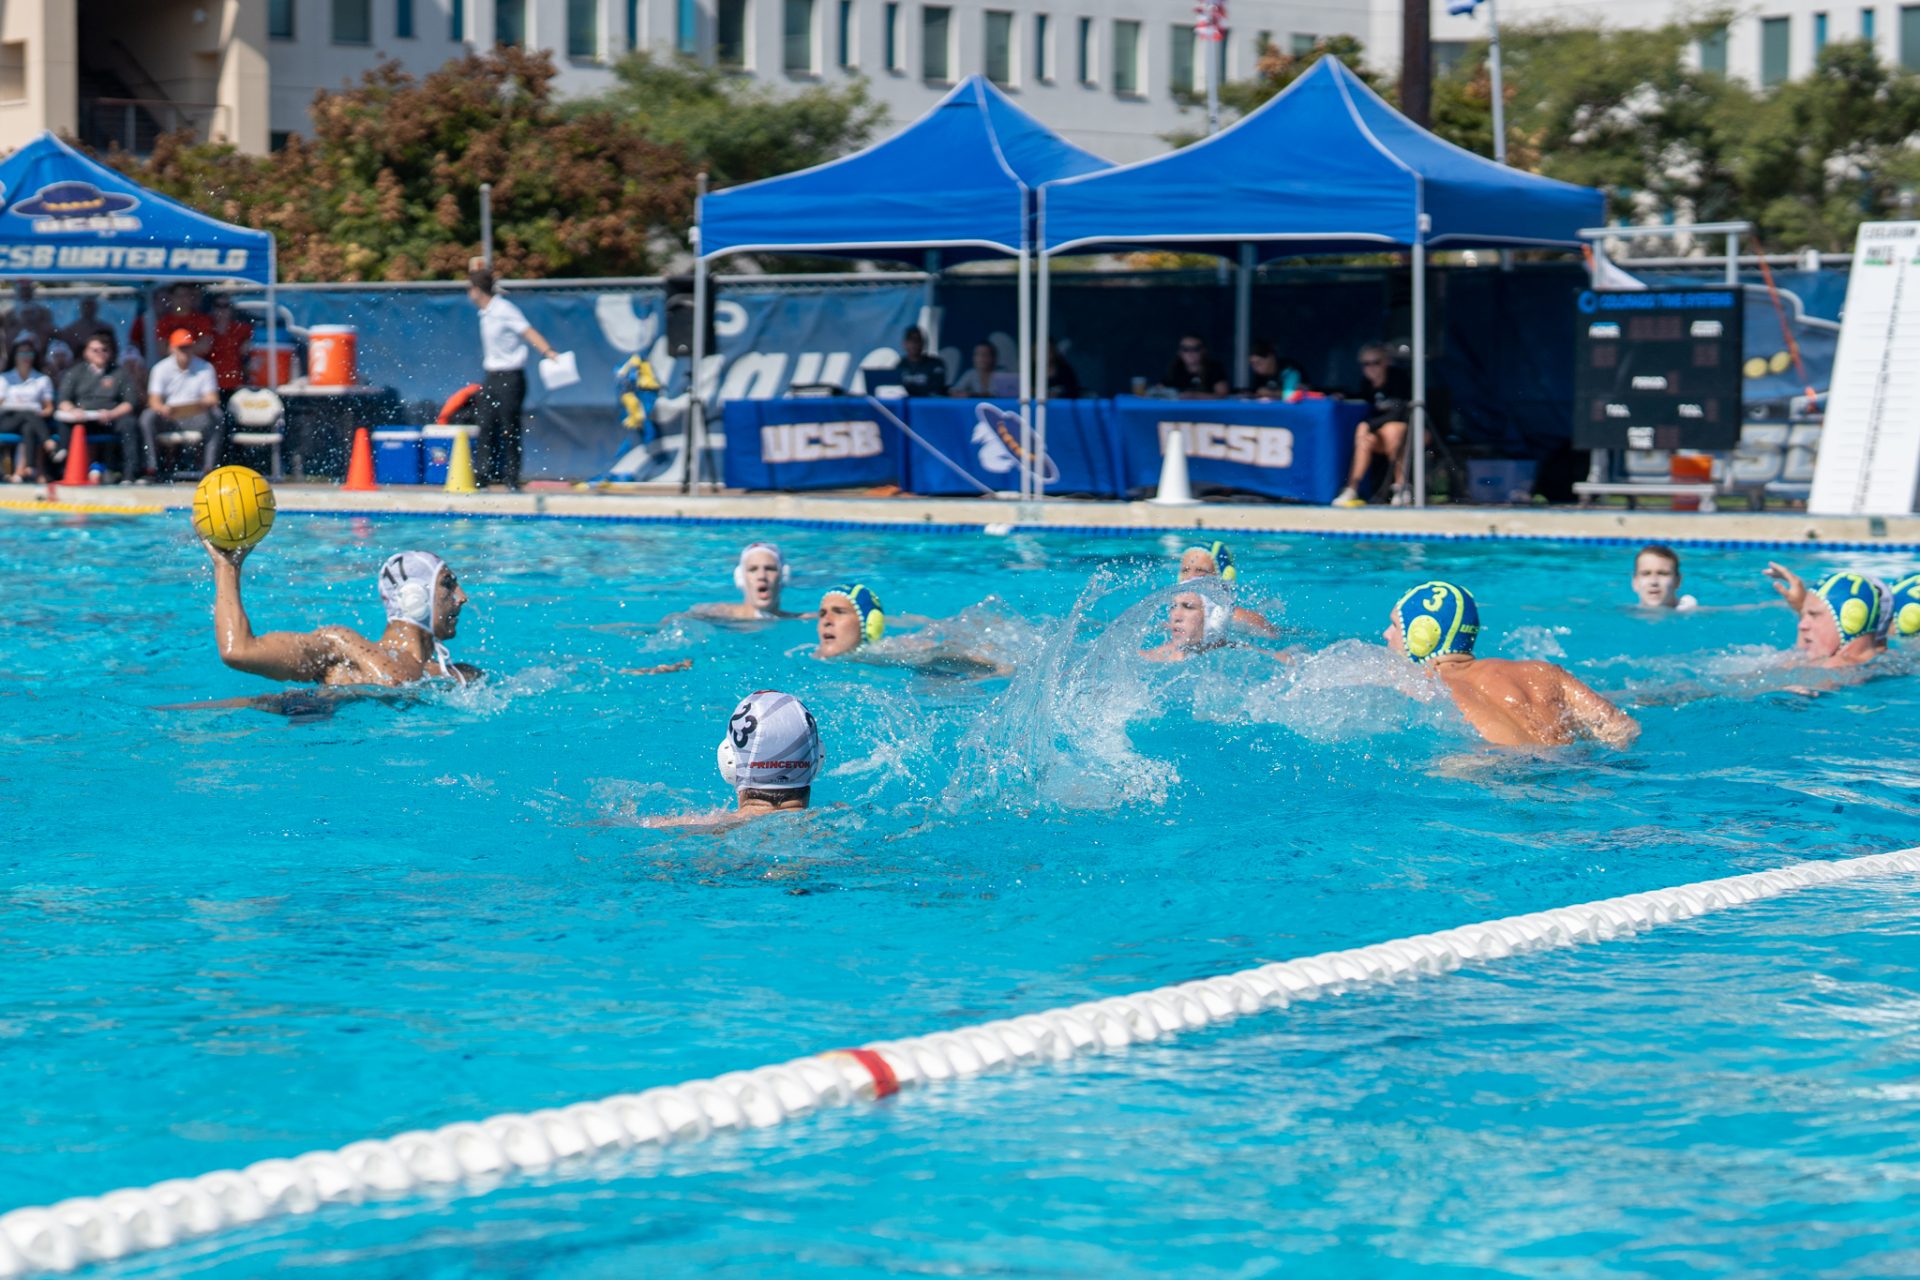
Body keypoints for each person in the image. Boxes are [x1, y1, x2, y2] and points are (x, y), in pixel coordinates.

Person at [1384, 580, 1640, 748]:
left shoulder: (1419, 686)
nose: (1386, 634)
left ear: (1422, 635)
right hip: (1576, 769)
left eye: (1395, 625)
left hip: (1501, 774)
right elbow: (1623, 728)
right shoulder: (1541, 672)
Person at [203, 543, 479, 686]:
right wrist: (227, 566)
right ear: (413, 596)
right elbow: (238, 651)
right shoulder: (344, 646)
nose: (462, 596)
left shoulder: (462, 676)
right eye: (448, 584)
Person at [467, 268, 560, 491]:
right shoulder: (485, 312)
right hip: (491, 376)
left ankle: (511, 478)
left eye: (470, 289)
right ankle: (483, 477)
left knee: (509, 428)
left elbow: (528, 332)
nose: (468, 294)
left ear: (478, 290)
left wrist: (548, 352)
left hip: (511, 377)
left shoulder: (503, 309)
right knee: (485, 425)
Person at [814, 582, 1008, 674]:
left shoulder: (890, 649)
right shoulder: (811, 653)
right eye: (822, 614)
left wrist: (997, 668)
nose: (827, 620)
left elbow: (948, 651)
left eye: (839, 612)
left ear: (870, 624)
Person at [1333, 344, 1414, 508]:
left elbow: (1399, 413)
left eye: (1376, 362)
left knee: (1393, 430)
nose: (1371, 368)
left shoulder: (1399, 379)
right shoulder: (1367, 384)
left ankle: (1401, 487)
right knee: (1366, 438)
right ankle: (1352, 488)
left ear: (1386, 362)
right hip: (1384, 435)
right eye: (1366, 364)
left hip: (1415, 433)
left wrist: (1369, 425)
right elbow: (1364, 399)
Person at [50, 331, 138, 482]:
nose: (100, 353)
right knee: (64, 422)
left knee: (129, 424)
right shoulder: (76, 372)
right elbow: (63, 400)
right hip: (83, 419)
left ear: (110, 352)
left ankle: (130, 474)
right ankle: (64, 468)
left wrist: (112, 413)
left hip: (111, 418)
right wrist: (73, 410)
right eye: (95, 350)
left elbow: (130, 403)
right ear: (86, 352)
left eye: (104, 350)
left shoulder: (119, 373)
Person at [1763, 565, 1891, 668]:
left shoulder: (1836, 666)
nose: (1801, 625)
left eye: (1814, 615)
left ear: (1852, 620)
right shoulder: (1884, 660)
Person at [138, 329, 219, 481]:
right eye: (181, 348)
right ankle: (151, 468)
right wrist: (162, 409)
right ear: (172, 349)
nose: (185, 352)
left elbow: (213, 398)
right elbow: (154, 400)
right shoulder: (160, 368)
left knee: (217, 416)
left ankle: (210, 468)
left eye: (188, 347)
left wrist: (201, 404)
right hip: (170, 417)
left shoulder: (205, 367)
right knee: (147, 417)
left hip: (195, 416)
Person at [694, 541, 812, 621]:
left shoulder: (802, 620)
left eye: (770, 569)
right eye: (753, 569)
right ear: (741, 578)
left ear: (784, 576)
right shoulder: (714, 615)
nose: (762, 576)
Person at [1177, 541, 1277, 635]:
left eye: (1200, 570)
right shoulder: (1176, 618)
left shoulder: (1240, 618)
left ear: (1223, 576)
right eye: (1185, 570)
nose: (1190, 577)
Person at [0, 338, 53, 483]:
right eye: (22, 353)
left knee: (28, 427)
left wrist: (44, 412)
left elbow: (48, 407)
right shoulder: (4, 378)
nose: (26, 357)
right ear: (14, 356)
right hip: (7, 419)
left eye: (29, 353)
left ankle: (24, 471)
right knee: (27, 413)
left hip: (32, 421)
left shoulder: (42, 379)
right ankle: (47, 441)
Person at [1142, 590, 1232, 662]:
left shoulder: (1231, 655)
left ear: (1212, 618)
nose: (1176, 616)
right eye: (1173, 606)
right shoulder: (1153, 657)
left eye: (1188, 607)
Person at [1631, 544, 1698, 610]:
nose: (1653, 582)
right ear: (1635, 582)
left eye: (1662, 574)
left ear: (1678, 581)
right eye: (1646, 574)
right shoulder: (1626, 613)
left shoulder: (1694, 613)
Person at [1160, 335, 1229, 398]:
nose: (1190, 353)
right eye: (1185, 349)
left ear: (1203, 351)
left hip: (1207, 407)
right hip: (1180, 407)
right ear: (1179, 352)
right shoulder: (1175, 370)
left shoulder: (1214, 368)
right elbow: (1159, 391)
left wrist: (1194, 396)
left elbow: (1222, 395)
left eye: (1195, 349)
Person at [949, 341, 1017, 398]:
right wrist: (960, 394)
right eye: (977, 354)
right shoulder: (971, 373)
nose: (981, 358)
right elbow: (954, 391)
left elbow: (1008, 395)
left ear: (993, 357)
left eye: (985, 355)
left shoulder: (1002, 373)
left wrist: (973, 395)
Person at [895, 326, 948, 398]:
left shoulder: (935, 364)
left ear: (923, 343)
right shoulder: (900, 365)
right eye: (911, 341)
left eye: (917, 341)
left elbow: (936, 390)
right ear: (904, 343)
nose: (914, 344)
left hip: (927, 403)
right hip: (907, 403)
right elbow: (896, 391)